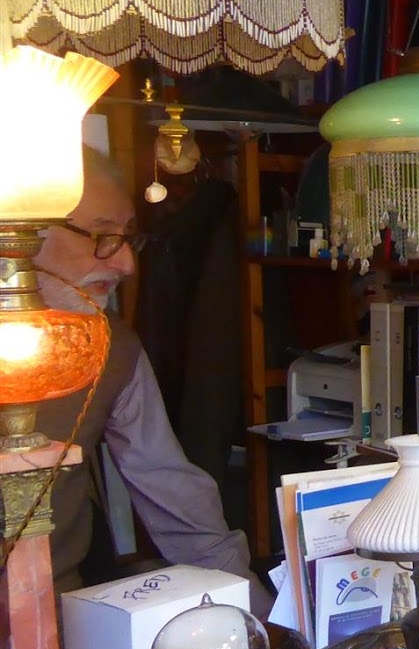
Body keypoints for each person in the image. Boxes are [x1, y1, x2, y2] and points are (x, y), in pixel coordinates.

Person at [36, 148, 270, 616]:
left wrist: (263, 621)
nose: (125, 264)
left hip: (51, 615)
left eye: (127, 239)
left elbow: (174, 495)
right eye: (102, 236)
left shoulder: (112, 348)